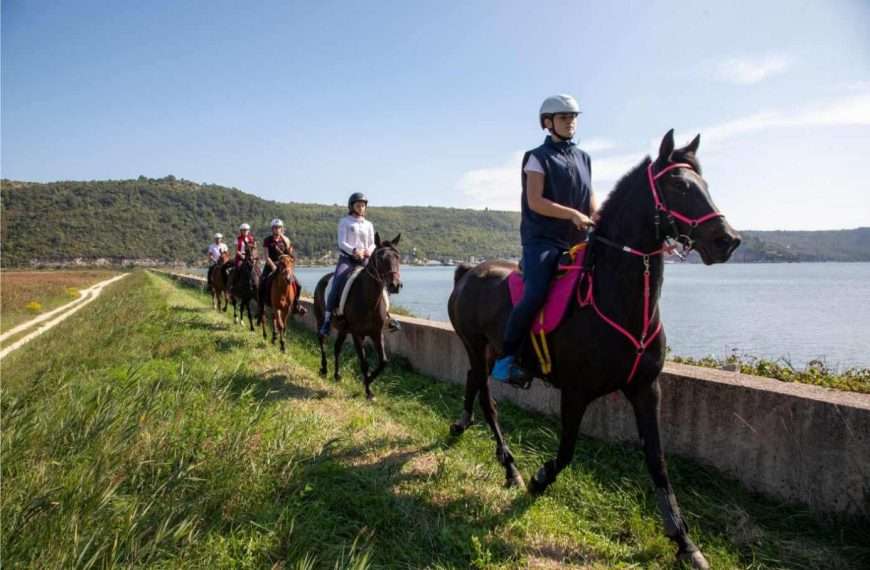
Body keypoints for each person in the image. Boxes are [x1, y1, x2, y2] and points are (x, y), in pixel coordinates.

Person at [492, 94, 598, 386]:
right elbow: (536, 202)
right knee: (535, 294)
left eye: (574, 117)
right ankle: (506, 360)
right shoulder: (537, 157)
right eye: (565, 118)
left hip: (577, 241)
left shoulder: (584, 157)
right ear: (548, 123)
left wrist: (599, 217)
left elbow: (591, 201)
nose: (571, 122)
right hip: (543, 242)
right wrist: (572, 214)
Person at [319, 192, 400, 336]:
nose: (361, 207)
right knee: (337, 282)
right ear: (352, 206)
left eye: (363, 205)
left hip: (365, 259)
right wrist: (354, 250)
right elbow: (341, 243)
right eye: (358, 205)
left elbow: (371, 243)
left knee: (380, 281)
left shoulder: (369, 224)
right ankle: (327, 319)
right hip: (347, 259)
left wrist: (367, 252)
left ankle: (387, 315)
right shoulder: (345, 222)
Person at [260, 218, 306, 315]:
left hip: (284, 266)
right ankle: (261, 305)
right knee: (262, 281)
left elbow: (290, 255)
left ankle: (296, 305)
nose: (277, 229)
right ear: (272, 229)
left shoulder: (286, 240)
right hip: (271, 265)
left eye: (279, 228)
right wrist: (273, 266)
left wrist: (289, 258)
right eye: (275, 228)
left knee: (298, 284)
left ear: (282, 229)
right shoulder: (267, 240)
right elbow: (266, 256)